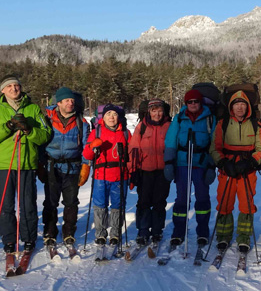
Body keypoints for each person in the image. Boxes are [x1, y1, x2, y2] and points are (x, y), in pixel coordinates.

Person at [0, 75, 52, 266]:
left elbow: (45, 135)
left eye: (16, 85)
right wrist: (9, 126)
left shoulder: (33, 108)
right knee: (6, 206)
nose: (14, 89)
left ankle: (29, 238)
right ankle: (9, 240)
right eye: (9, 86)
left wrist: (29, 130)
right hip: (4, 165)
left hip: (27, 163)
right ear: (2, 90)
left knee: (27, 204)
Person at [210, 90, 261, 255]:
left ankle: (243, 237)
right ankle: (223, 235)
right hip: (227, 169)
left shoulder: (256, 124)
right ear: (231, 107)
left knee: (246, 204)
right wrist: (222, 162)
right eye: (237, 105)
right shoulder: (223, 124)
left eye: (243, 104)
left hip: (247, 170)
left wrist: (251, 162)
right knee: (225, 202)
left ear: (247, 107)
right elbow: (214, 147)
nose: (240, 108)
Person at [164, 89, 216, 253]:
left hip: (201, 163)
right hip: (182, 163)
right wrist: (168, 163)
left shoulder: (209, 119)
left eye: (196, 101)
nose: (193, 104)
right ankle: (178, 231)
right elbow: (171, 141)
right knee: (181, 199)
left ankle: (202, 232)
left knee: (202, 199)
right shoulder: (179, 119)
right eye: (190, 102)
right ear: (186, 104)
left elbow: (215, 143)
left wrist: (211, 165)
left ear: (200, 103)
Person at [40, 87, 90, 258]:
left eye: (72, 100)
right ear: (58, 103)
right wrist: (39, 165)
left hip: (73, 167)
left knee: (71, 202)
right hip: (51, 167)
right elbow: (40, 144)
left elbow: (86, 147)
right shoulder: (47, 120)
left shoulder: (81, 123)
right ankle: (50, 232)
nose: (70, 103)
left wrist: (86, 166)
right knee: (50, 202)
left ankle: (68, 232)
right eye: (67, 100)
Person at [83, 105, 132, 248]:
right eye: (108, 114)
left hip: (120, 176)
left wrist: (132, 174)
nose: (111, 117)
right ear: (102, 117)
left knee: (118, 205)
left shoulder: (126, 133)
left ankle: (115, 233)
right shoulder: (96, 132)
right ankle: (100, 234)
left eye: (114, 114)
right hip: (100, 175)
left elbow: (131, 156)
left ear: (119, 117)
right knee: (100, 205)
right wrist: (92, 146)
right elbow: (86, 155)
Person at [128, 98, 171, 247]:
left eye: (160, 111)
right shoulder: (142, 127)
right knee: (144, 202)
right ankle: (143, 230)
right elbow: (133, 149)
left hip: (163, 171)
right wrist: (132, 170)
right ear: (149, 112)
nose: (157, 114)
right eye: (154, 110)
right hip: (145, 171)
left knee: (160, 201)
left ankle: (157, 230)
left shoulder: (169, 126)